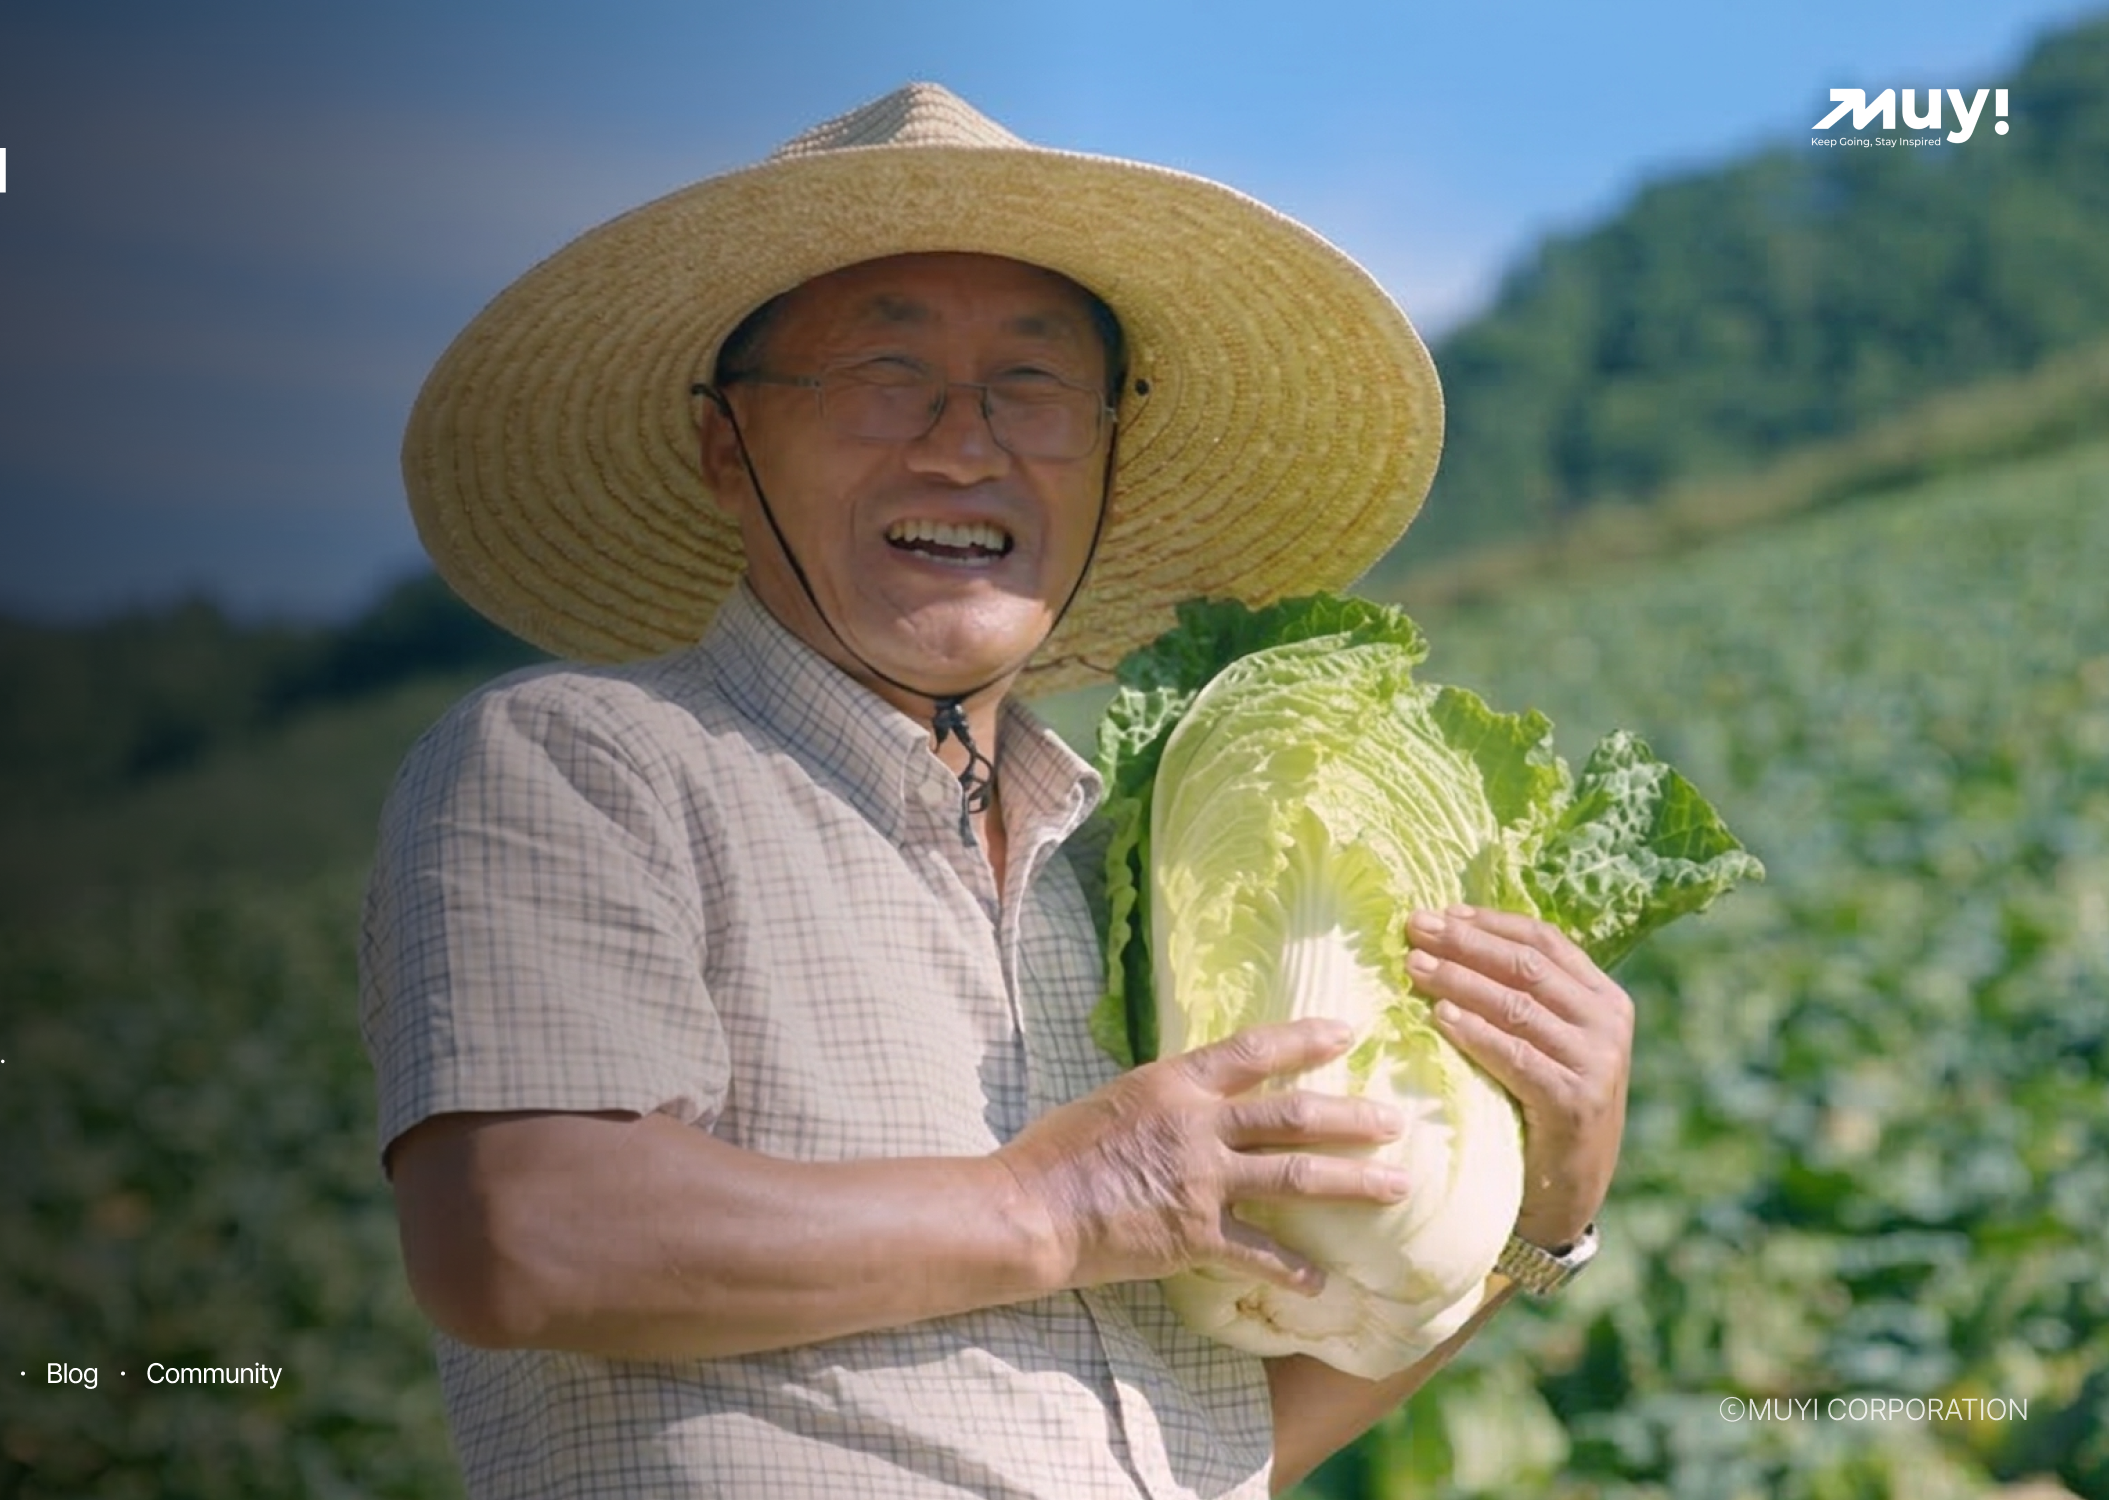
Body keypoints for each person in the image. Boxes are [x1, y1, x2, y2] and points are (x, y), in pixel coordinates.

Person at [361, 83, 1631, 1498]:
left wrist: (1542, 1212)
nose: (962, 444)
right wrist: (1054, 1200)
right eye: (880, 377)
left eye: (1031, 387)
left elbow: (1219, 1446)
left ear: (1104, 451)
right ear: (726, 447)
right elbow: (524, 1235)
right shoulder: (581, 763)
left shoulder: (1131, 883)